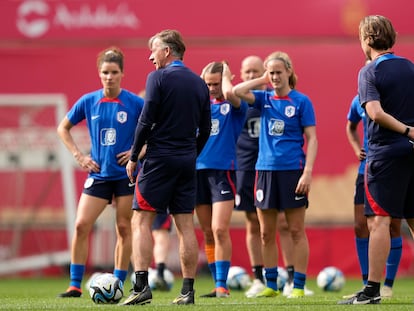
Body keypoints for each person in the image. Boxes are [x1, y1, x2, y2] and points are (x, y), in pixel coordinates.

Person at [121, 29, 211, 306]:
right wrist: (190, 153)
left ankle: (141, 287)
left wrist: (135, 156)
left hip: (159, 159)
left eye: (154, 50)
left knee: (141, 220)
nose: (151, 57)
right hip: (186, 160)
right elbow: (206, 129)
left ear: (167, 51)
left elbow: (145, 121)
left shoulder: (157, 77)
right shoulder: (199, 83)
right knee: (185, 225)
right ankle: (187, 292)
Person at [56, 47, 144, 297]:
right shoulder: (88, 101)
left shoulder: (135, 103)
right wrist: (79, 156)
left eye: (114, 72)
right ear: (99, 73)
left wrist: (136, 153)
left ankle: (117, 283)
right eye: (105, 72)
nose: (109, 77)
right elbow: (63, 128)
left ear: (122, 74)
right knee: (82, 225)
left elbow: (155, 132)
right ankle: (74, 284)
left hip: (125, 176)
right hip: (98, 174)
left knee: (124, 228)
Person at [338, 15, 414, 305]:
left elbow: (374, 112)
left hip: (386, 154)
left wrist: (406, 130)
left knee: (379, 222)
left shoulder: (369, 71)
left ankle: (371, 291)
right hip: (411, 151)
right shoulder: (409, 67)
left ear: (367, 40)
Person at [233, 51, 318, 299]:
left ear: (289, 71)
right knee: (265, 232)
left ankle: (299, 286)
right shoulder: (263, 98)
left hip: (293, 172)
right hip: (265, 172)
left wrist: (308, 172)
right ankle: (271, 285)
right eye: (272, 73)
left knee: (295, 230)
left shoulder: (302, 102)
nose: (275, 77)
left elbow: (312, 139)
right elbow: (237, 91)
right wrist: (262, 79)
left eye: (279, 72)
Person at [196, 61, 248, 298]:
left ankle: (222, 286)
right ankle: (216, 283)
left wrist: (227, 76)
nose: (212, 88)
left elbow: (229, 92)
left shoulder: (235, 105)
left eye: (215, 83)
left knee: (219, 229)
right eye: (208, 84)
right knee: (207, 231)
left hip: (223, 173)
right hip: (197, 173)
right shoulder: (199, 107)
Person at [343, 92, 402, 299]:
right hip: (366, 170)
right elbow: (350, 126)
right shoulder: (358, 99)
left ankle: (388, 284)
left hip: (393, 166)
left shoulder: (396, 97)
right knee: (361, 226)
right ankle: (367, 284)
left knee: (393, 225)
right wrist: (356, 147)